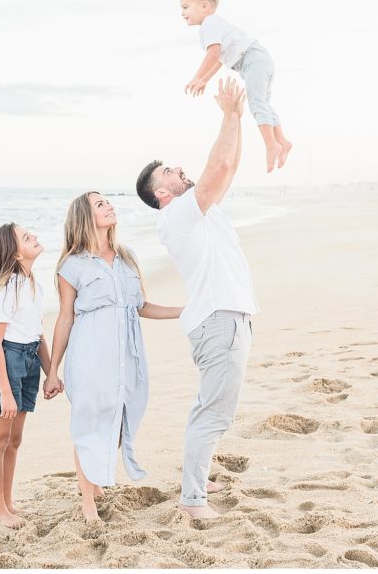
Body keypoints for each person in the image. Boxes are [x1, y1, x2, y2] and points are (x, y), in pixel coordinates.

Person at [134, 77, 258, 519]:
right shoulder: (178, 218)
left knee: (209, 408)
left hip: (225, 319)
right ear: (161, 193)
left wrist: (236, 119)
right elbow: (218, 170)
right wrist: (227, 115)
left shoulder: (198, 213)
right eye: (169, 171)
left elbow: (228, 168)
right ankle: (192, 502)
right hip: (220, 322)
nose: (179, 170)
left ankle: (197, 478)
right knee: (215, 414)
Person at [42, 192, 182, 523]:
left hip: (127, 356)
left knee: (121, 420)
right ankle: (88, 502)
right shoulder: (71, 265)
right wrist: (52, 371)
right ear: (84, 217)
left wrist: (182, 311)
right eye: (101, 204)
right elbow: (65, 318)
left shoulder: (127, 257)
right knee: (90, 422)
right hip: (89, 354)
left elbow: (141, 305)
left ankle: (94, 478)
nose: (110, 206)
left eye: (108, 202)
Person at [0, 223, 52, 529]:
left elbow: (37, 332)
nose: (33, 236)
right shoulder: (7, 287)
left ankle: (7, 503)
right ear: (14, 252)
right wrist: (5, 391)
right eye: (25, 237)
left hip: (28, 359)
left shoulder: (32, 283)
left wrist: (51, 373)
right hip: (3, 363)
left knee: (14, 439)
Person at [179, 0, 293, 173]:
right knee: (263, 103)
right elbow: (219, 59)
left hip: (252, 59)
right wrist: (205, 80)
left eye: (185, 7)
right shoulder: (212, 26)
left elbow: (214, 53)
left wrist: (197, 77)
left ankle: (271, 144)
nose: (182, 13)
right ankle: (282, 140)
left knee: (257, 103)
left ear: (204, 5)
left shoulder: (210, 23)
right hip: (256, 59)